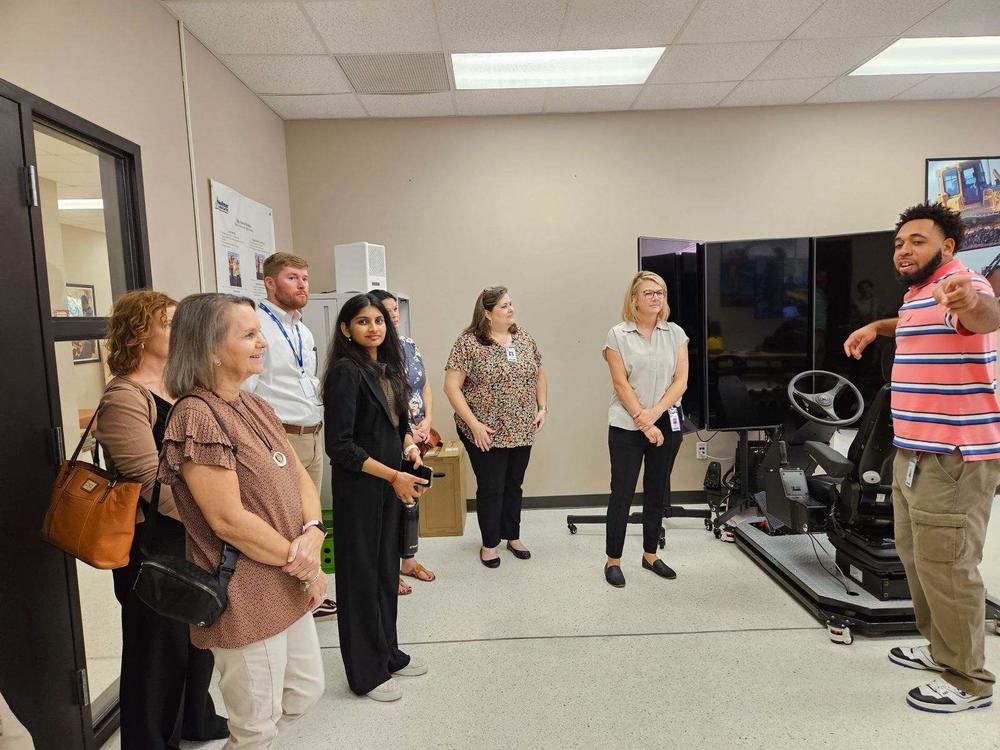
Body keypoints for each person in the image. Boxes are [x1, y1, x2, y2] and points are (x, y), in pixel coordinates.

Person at [844, 203, 1000, 714]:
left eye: (918, 241)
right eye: (899, 243)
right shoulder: (917, 296)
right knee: (919, 560)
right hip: (912, 454)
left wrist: (967, 299)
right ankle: (941, 651)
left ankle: (968, 680)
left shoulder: (961, 284)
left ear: (947, 246)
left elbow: (982, 313)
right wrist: (876, 327)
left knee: (951, 568)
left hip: (952, 459)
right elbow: (914, 320)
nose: (905, 250)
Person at [160, 293, 327, 745]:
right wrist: (304, 560)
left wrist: (312, 533)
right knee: (255, 725)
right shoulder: (196, 415)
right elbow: (228, 520)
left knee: (305, 691)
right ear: (210, 348)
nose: (262, 344)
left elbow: (299, 477)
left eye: (260, 333)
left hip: (286, 577)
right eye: (249, 335)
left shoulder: (254, 405)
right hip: (245, 590)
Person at [95, 290, 228, 749]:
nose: (179, 332)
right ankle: (149, 741)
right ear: (139, 332)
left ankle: (196, 720)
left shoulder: (183, 387)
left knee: (196, 638)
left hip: (192, 533)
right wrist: (214, 516)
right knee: (156, 654)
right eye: (168, 323)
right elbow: (149, 479)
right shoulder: (124, 398)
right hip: (152, 542)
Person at [323, 293, 429, 702]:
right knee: (361, 579)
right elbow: (341, 447)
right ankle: (364, 674)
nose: (374, 328)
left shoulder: (386, 367)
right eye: (363, 321)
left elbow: (396, 422)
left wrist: (409, 446)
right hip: (362, 488)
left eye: (380, 320)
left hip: (390, 483)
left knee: (386, 572)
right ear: (346, 328)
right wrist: (393, 475)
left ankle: (388, 654)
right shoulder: (345, 373)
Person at [243, 252, 336, 622]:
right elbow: (248, 389)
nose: (302, 286)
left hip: (313, 435)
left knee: (307, 521)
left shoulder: (303, 328)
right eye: (293, 278)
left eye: (305, 278)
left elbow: (305, 378)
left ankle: (308, 592)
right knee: (283, 521)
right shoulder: (258, 327)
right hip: (281, 436)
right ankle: (287, 600)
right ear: (270, 282)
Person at [443, 286, 547, 568]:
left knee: (514, 484)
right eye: (503, 306)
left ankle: (512, 536)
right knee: (491, 486)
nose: (511, 309)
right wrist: (474, 424)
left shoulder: (523, 338)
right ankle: (490, 544)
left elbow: (539, 373)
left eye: (511, 303)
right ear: (487, 313)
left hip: (522, 427)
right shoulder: (468, 343)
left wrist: (542, 408)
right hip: (484, 429)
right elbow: (451, 388)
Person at [602, 272, 688, 588]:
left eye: (660, 292)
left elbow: (681, 381)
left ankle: (650, 555)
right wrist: (642, 420)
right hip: (626, 425)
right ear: (634, 298)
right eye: (649, 292)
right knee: (621, 494)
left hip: (665, 422)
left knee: (656, 491)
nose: (656, 297)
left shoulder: (676, 334)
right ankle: (613, 560)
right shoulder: (618, 335)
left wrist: (653, 416)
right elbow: (620, 383)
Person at [370, 289, 437, 595]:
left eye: (395, 310)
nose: (394, 315)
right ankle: (386, 567)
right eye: (387, 310)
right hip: (392, 433)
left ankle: (408, 559)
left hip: (417, 434)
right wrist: (408, 430)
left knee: (411, 499)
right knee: (388, 504)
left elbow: (425, 386)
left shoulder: (408, 345)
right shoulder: (375, 352)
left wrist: (427, 422)